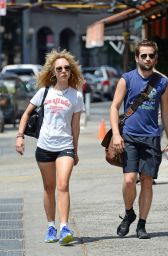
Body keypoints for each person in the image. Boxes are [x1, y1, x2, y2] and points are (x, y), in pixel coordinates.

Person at [16, 49, 84, 245]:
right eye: (59, 68)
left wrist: (75, 150)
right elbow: (26, 114)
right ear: (53, 72)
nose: (63, 71)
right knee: (48, 187)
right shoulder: (44, 92)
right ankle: (50, 226)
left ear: (71, 71)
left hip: (65, 146)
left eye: (67, 68)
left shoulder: (76, 96)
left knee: (63, 185)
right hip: (44, 145)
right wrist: (20, 137)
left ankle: (64, 228)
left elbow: (75, 126)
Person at [110, 39, 168, 239]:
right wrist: (116, 134)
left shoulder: (163, 82)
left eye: (151, 55)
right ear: (137, 57)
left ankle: (142, 225)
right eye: (143, 55)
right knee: (129, 180)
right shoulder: (126, 79)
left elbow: (167, 112)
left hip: (152, 137)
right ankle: (129, 214)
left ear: (155, 58)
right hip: (129, 136)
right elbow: (114, 107)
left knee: (146, 181)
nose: (147, 59)